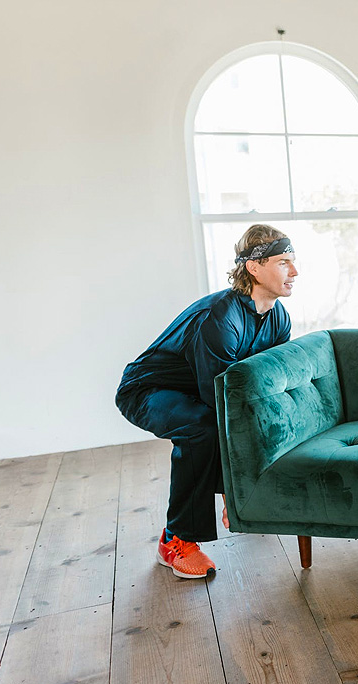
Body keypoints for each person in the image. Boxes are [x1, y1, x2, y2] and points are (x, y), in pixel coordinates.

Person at [116, 224, 297, 578]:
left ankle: (240, 498)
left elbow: (268, 386)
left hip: (198, 391)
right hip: (147, 389)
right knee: (201, 427)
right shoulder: (221, 317)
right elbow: (219, 400)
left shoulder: (278, 318)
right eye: (283, 262)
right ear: (254, 267)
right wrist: (232, 482)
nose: (295, 271)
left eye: (294, 261)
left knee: (232, 418)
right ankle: (175, 541)